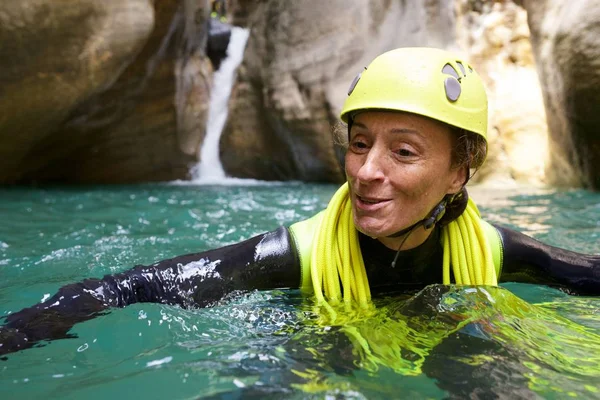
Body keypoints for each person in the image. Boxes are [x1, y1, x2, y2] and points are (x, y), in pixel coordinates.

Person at [1, 47, 599, 357]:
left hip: (449, 320)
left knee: (491, 367)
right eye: (359, 144)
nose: (367, 171)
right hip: (312, 332)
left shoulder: (496, 251)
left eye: (404, 152)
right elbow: (127, 289)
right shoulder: (293, 255)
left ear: (458, 175)